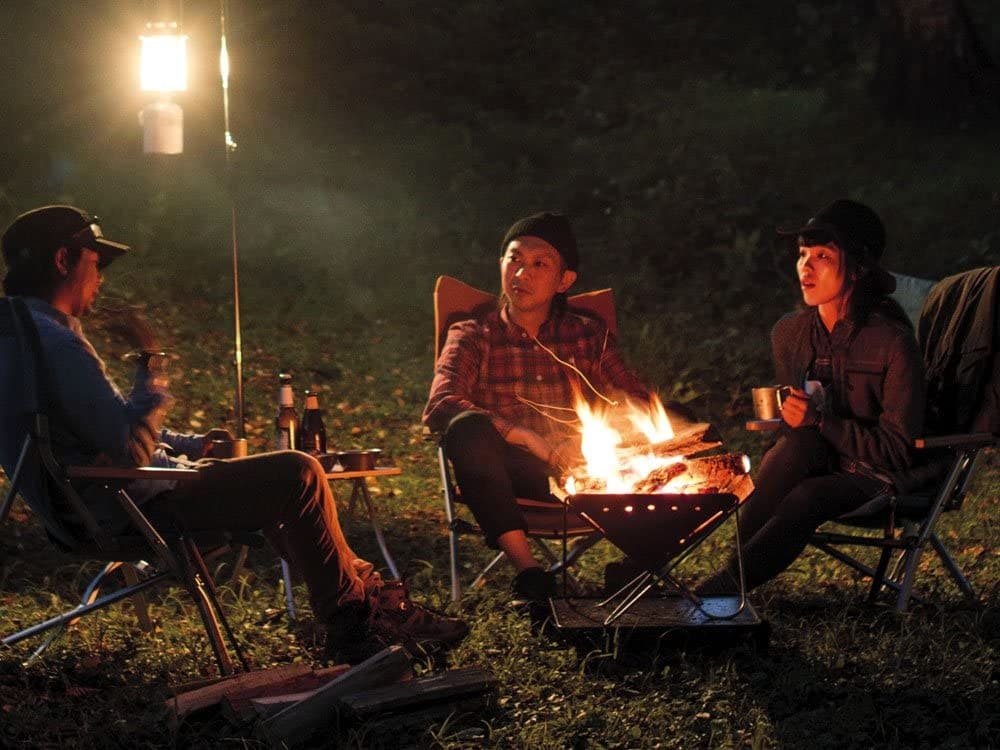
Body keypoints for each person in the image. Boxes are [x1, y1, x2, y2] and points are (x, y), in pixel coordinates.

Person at [0, 204, 467, 663]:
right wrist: (151, 365)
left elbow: (101, 433)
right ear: (63, 260)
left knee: (270, 480)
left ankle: (375, 605)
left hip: (92, 503)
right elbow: (129, 448)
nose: (100, 277)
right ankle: (353, 625)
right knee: (298, 474)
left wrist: (191, 446)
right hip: (132, 507)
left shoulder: (20, 336)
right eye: (95, 262)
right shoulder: (58, 344)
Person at [423, 211, 657, 604]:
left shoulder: (586, 334)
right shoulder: (473, 335)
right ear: (500, 264)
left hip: (587, 470)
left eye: (539, 264)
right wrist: (526, 437)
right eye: (513, 259)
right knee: (466, 429)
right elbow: (442, 403)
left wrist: (610, 435)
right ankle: (530, 573)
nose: (521, 273)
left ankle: (638, 567)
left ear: (564, 281)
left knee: (681, 423)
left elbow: (638, 401)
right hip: (510, 473)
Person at [697, 199, 926, 596]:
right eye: (803, 254)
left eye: (823, 256)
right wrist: (789, 420)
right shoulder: (791, 334)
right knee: (794, 446)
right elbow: (797, 437)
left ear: (858, 267)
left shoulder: (892, 342)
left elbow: (897, 451)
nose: (806, 266)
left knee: (809, 493)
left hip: (882, 478)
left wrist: (820, 420)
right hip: (820, 460)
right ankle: (727, 576)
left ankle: (724, 588)